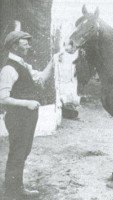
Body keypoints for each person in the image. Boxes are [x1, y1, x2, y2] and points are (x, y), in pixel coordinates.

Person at [0, 30, 57, 199]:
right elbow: (2, 98)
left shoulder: (23, 65)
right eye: (24, 44)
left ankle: (15, 188)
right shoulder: (9, 68)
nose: (28, 47)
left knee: (23, 151)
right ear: (14, 46)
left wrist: (53, 62)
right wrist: (27, 103)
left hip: (27, 116)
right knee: (18, 152)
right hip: (17, 117)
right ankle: (12, 191)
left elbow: (40, 79)